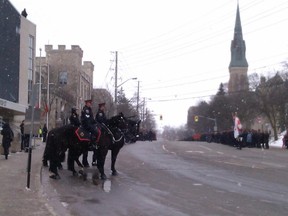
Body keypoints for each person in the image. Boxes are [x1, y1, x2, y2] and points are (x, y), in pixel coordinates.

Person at [81, 99, 97, 167]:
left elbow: (92, 119)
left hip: (90, 125)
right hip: (86, 126)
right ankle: (92, 143)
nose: (90, 104)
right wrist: (91, 125)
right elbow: (87, 120)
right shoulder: (86, 110)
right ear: (86, 103)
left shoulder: (89, 109)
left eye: (90, 103)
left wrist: (96, 123)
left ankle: (94, 142)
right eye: (89, 103)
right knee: (94, 131)